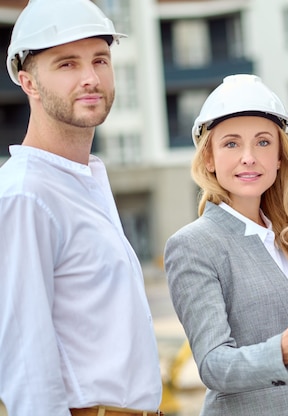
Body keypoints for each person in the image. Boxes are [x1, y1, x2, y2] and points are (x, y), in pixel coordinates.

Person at [0, 0, 163, 415]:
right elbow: (25, 364)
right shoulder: (26, 195)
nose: (91, 78)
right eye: (67, 64)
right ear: (28, 82)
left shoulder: (82, 180)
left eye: (100, 60)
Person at [164, 74, 288, 416]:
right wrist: (283, 349)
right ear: (209, 158)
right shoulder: (193, 245)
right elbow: (213, 365)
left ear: (280, 157)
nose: (249, 157)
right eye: (231, 144)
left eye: (263, 142)